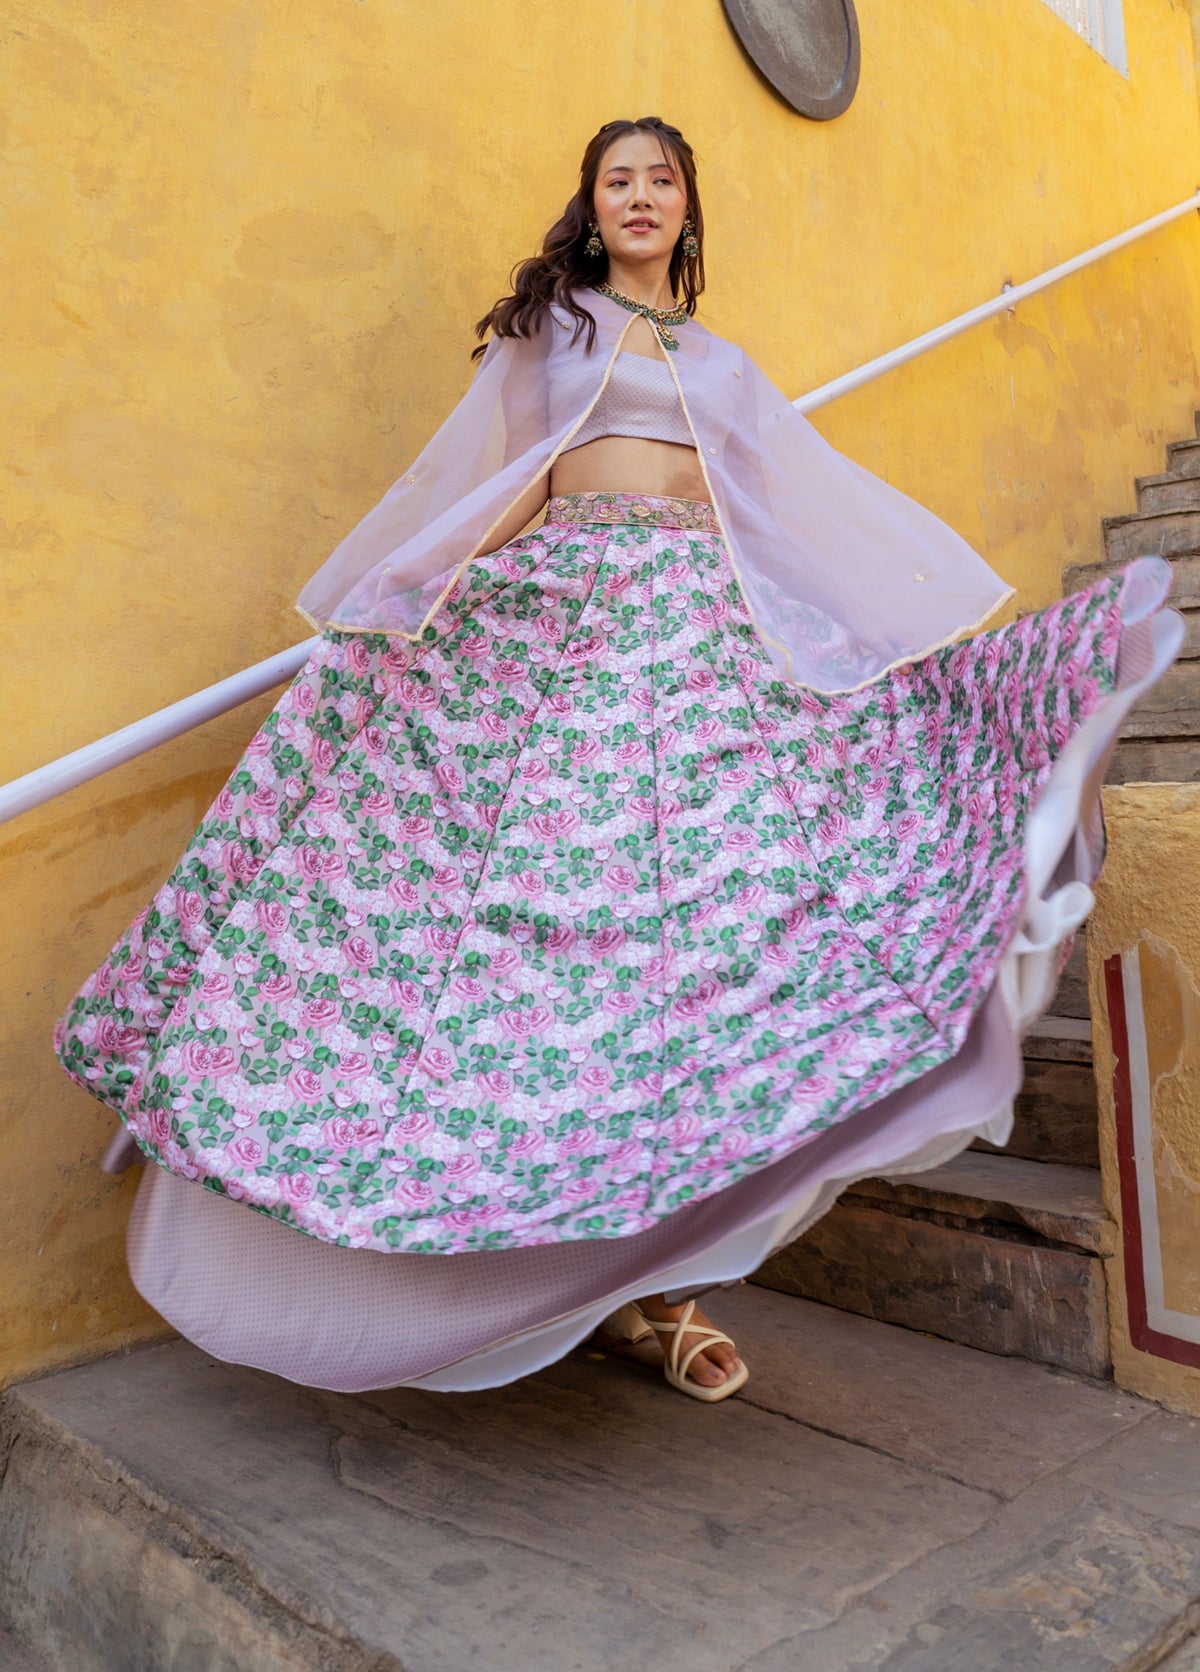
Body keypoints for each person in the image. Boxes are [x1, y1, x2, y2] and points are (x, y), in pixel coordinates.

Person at [55, 116, 1180, 1403]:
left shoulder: (728, 361)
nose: (640, 196)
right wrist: (418, 603)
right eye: (617, 180)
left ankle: (660, 1292)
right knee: (553, 953)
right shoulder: (559, 330)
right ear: (592, 212)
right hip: (569, 620)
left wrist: (873, 647)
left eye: (661, 179)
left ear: (688, 212)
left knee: (694, 961)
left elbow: (779, 517)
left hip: (702, 635)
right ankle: (589, 1285)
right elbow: (510, 482)